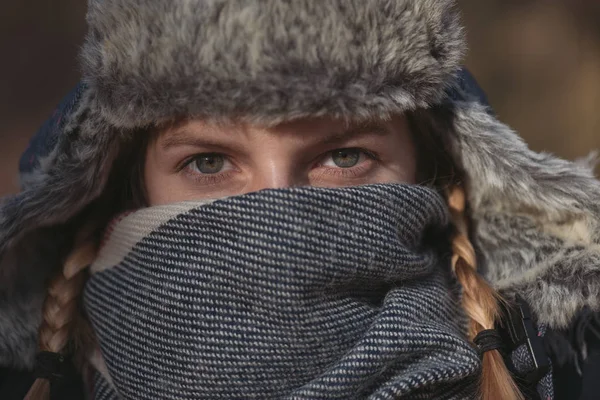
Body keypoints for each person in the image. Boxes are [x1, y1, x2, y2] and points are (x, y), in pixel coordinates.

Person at [1, 1, 599, 399]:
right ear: (130, 187)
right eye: (208, 162)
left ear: (432, 170)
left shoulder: (569, 372)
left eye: (343, 157)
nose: (275, 208)